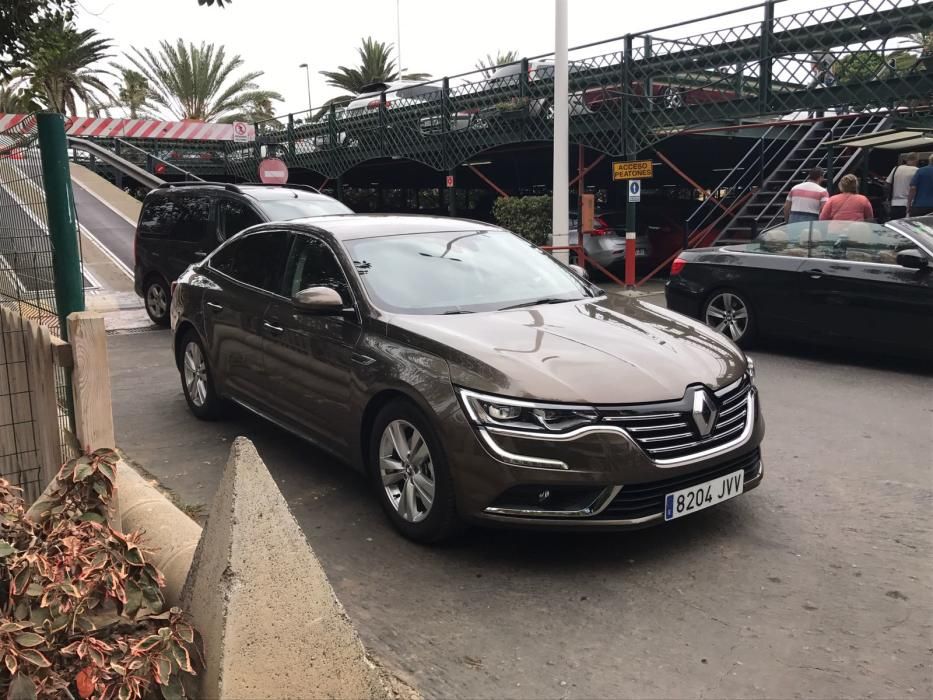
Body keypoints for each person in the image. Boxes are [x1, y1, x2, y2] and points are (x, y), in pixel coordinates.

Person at [885, 153, 918, 220]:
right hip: (908, 204)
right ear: (916, 160)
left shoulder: (896, 169)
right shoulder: (916, 170)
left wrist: (888, 197)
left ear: (906, 160)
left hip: (894, 203)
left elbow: (887, 184)